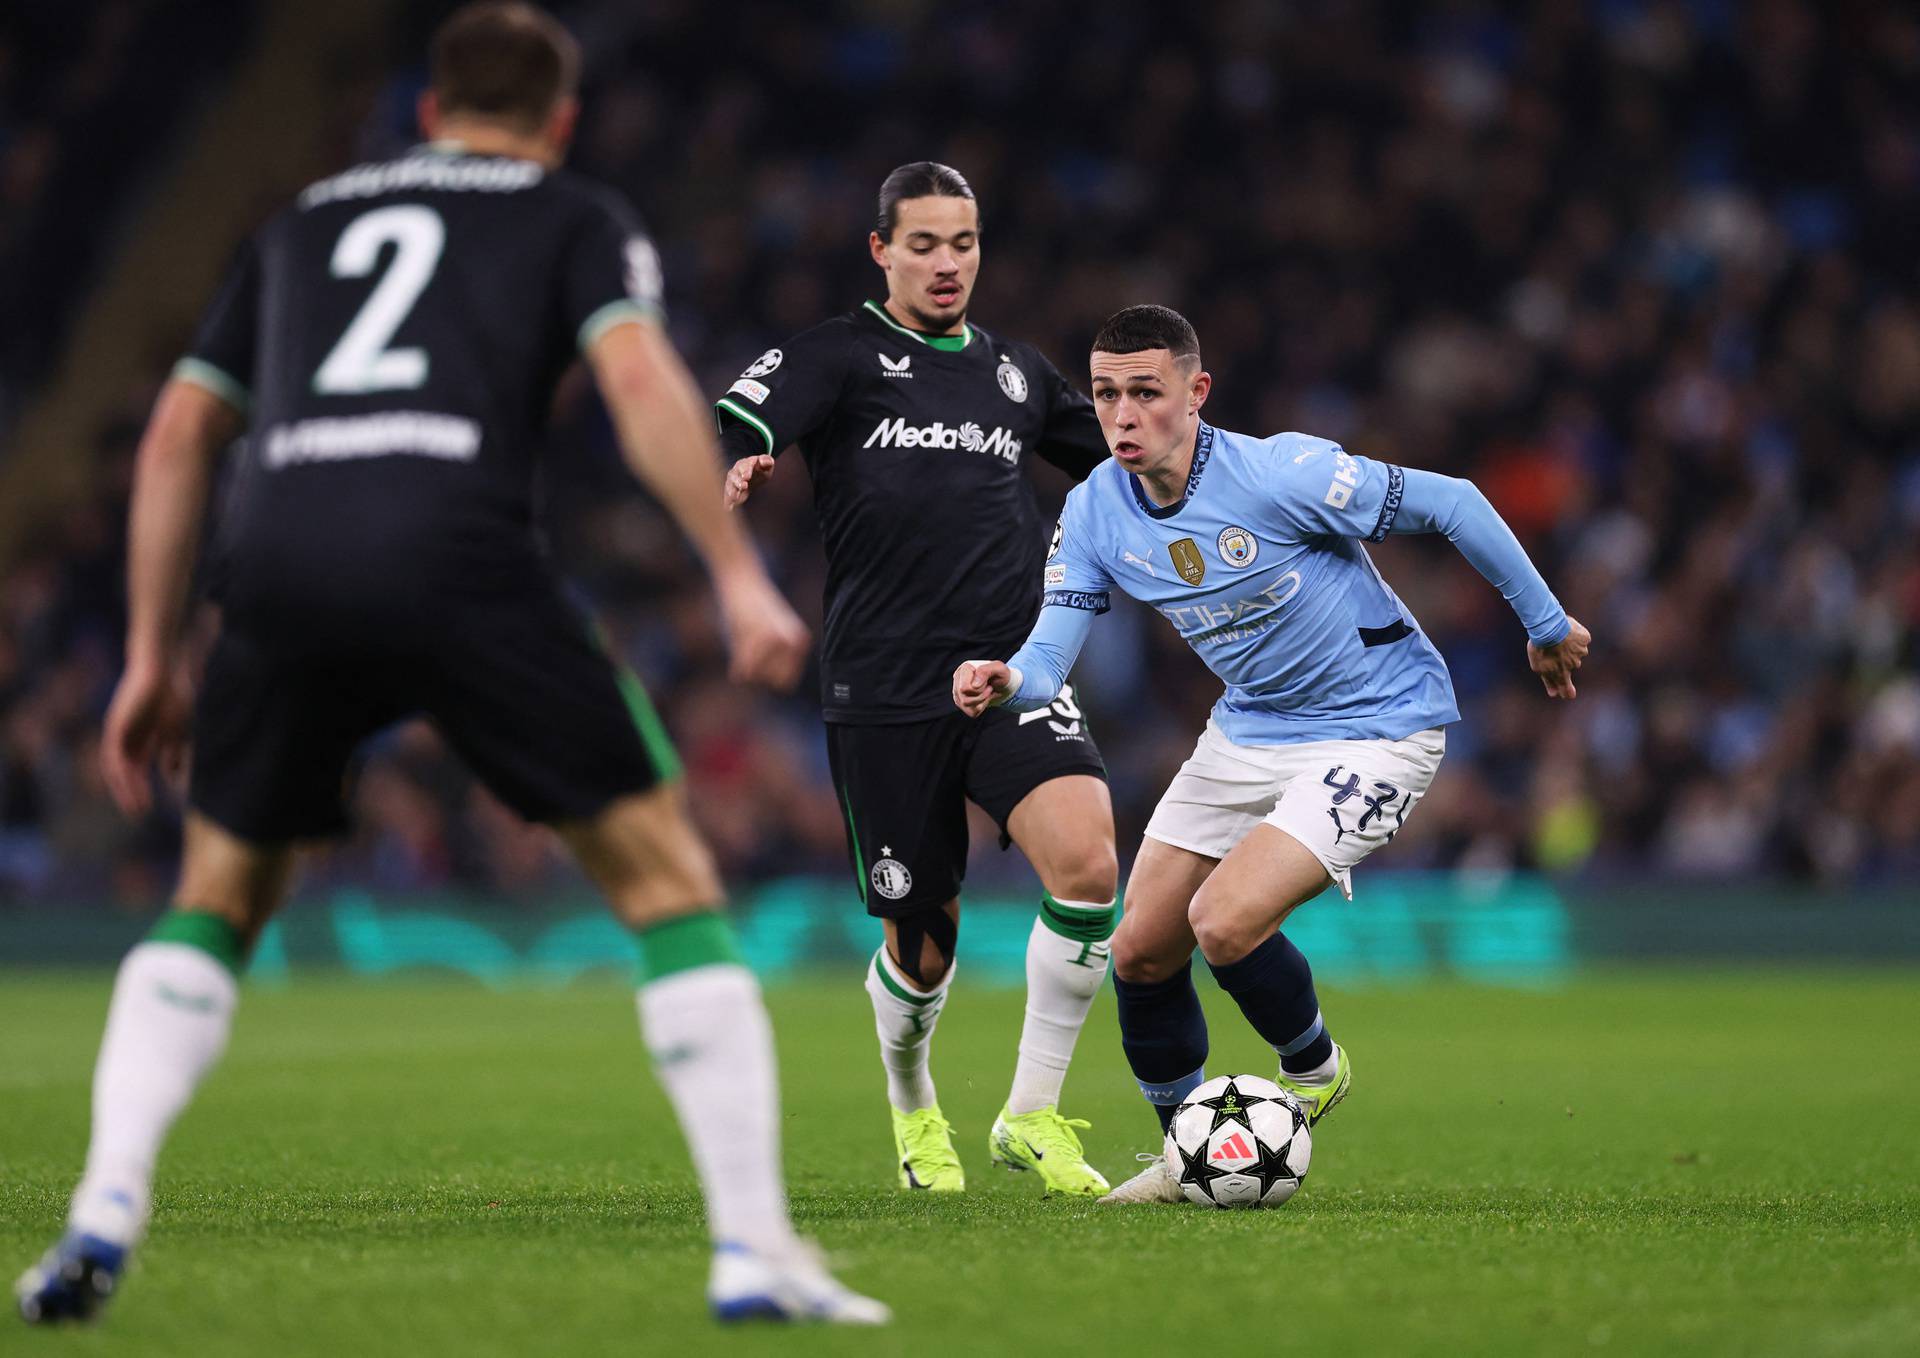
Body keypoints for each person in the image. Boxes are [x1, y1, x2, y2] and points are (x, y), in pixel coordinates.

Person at [15, 2, 886, 1325]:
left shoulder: (294, 223)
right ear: (561, 122)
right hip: (457, 549)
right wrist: (732, 571)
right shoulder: (570, 212)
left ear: (427, 112)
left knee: (218, 896)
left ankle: (103, 1208)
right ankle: (755, 1245)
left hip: (281, 564)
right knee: (664, 876)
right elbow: (642, 379)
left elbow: (182, 429)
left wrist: (148, 654)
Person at [953, 304, 1591, 1204]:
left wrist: (1546, 623)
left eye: (1147, 392)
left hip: (1380, 726)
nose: (1124, 416)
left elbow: (1454, 500)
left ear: (1196, 392)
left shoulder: (1285, 472)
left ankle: (1314, 1070)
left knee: (1222, 921)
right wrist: (1006, 679)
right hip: (1250, 728)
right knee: (1138, 950)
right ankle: (1186, 1156)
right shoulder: (1094, 510)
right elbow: (1053, 649)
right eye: (1105, 396)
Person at [718, 163, 1119, 1196]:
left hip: (1008, 664)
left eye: (966, 243)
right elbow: (746, 411)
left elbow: (1123, 458)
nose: (949, 264)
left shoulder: (1016, 375)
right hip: (884, 688)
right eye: (927, 243)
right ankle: (915, 1109)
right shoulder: (839, 357)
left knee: (1086, 862)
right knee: (925, 944)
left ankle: (1031, 1113)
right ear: (882, 250)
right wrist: (747, 454)